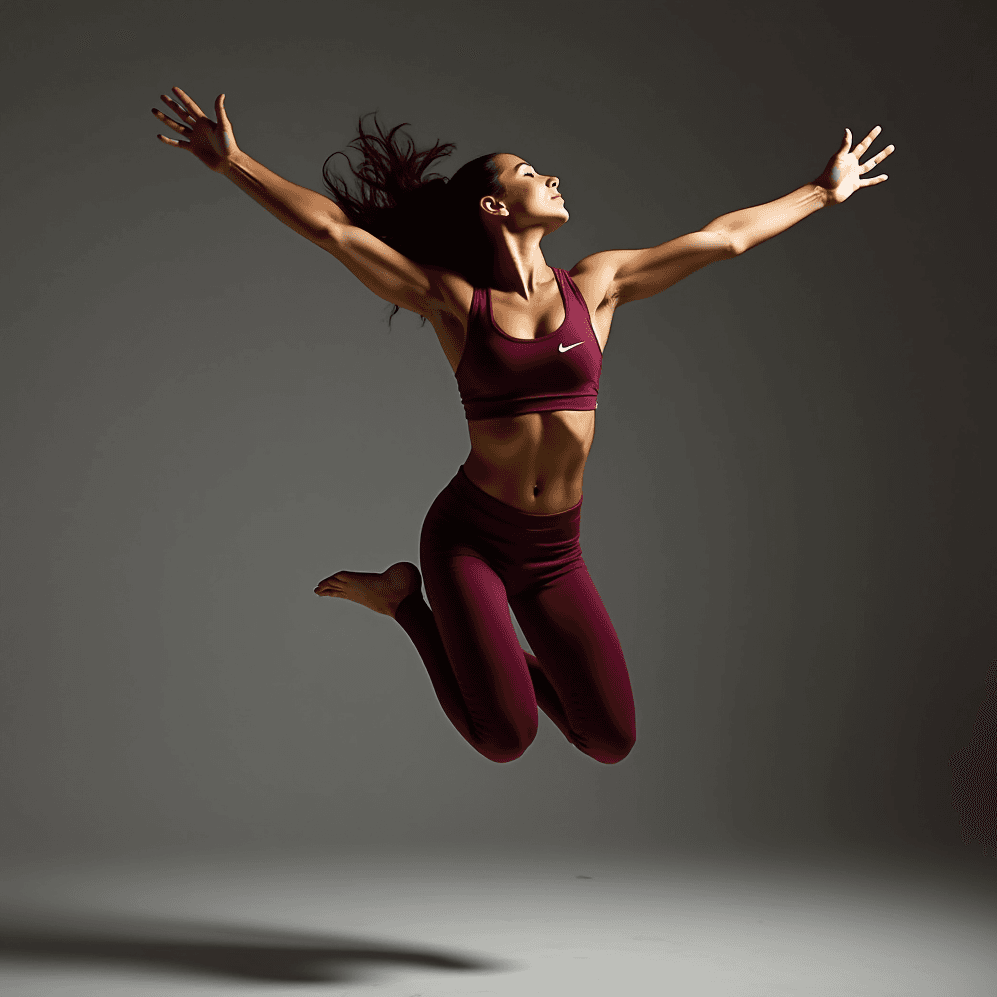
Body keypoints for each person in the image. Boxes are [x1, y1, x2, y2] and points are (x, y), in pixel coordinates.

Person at [152, 88, 895, 765]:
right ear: (494, 206)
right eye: (531, 173)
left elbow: (724, 238)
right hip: (469, 535)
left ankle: (477, 650)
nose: (553, 179)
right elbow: (337, 235)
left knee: (608, 737)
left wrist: (821, 193)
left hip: (554, 550)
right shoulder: (452, 301)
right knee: (505, 736)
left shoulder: (597, 286)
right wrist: (235, 164)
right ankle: (407, 602)